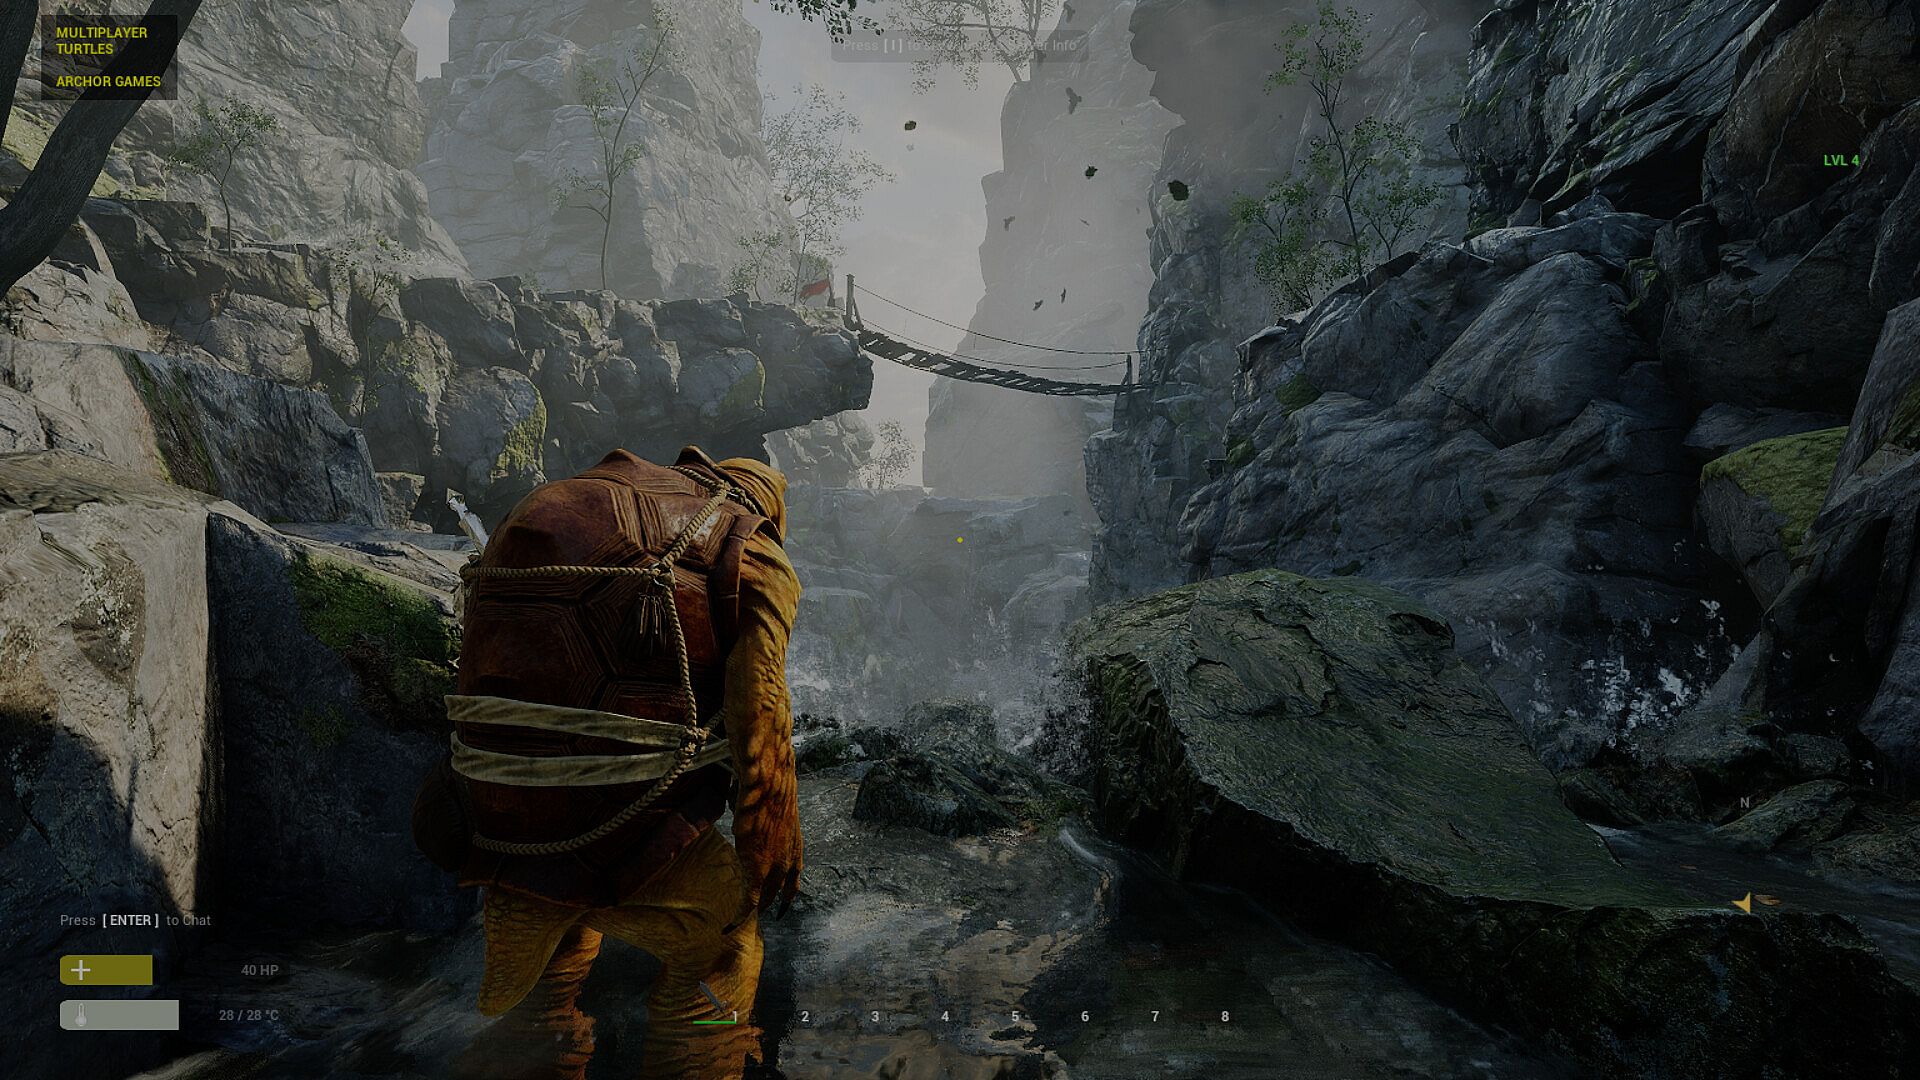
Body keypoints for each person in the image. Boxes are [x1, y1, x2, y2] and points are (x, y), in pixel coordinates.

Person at [417, 446, 803, 1080]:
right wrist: (771, 829)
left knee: (548, 971)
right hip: (623, 828)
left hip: (499, 824)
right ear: (771, 508)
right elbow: (760, 707)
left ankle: (542, 1036)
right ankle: (701, 1049)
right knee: (724, 948)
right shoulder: (751, 548)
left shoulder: (590, 495)